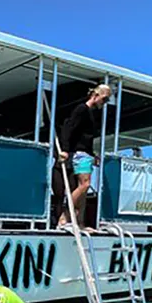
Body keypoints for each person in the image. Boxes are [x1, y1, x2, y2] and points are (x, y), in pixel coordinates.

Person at [58, 84, 113, 227]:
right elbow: (69, 128)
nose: (104, 103)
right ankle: (64, 216)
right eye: (104, 99)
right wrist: (65, 149)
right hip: (80, 154)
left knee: (84, 191)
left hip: (86, 154)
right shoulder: (82, 109)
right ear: (95, 96)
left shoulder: (91, 113)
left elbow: (85, 138)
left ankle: (80, 222)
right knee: (85, 184)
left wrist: (93, 155)